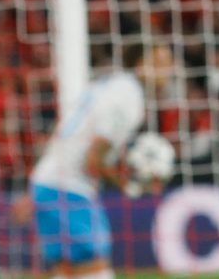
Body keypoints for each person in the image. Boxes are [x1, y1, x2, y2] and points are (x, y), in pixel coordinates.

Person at [12, 42, 174, 279]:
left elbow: (67, 134)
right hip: (70, 187)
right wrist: (128, 184)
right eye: (160, 62)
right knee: (96, 270)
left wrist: (35, 190)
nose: (167, 69)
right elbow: (93, 160)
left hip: (49, 182)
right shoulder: (129, 99)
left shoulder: (111, 85)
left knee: (65, 272)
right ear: (140, 64)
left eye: (168, 63)